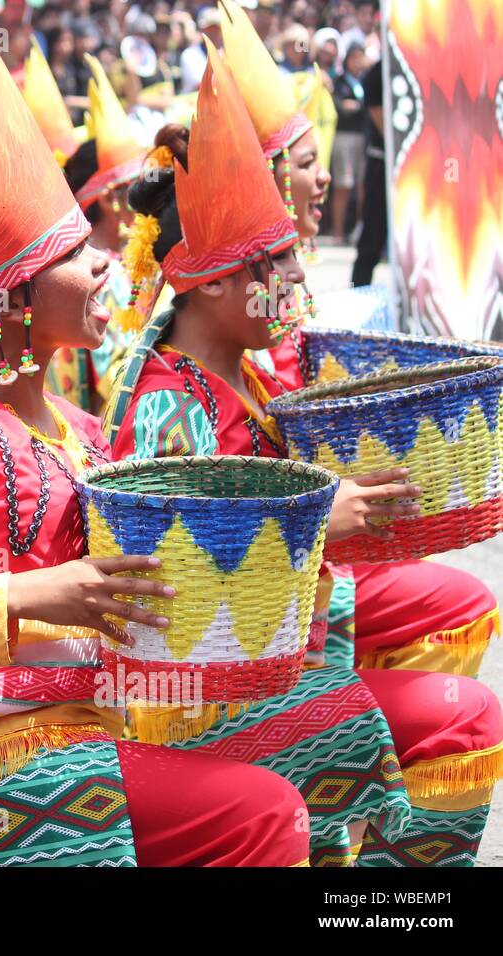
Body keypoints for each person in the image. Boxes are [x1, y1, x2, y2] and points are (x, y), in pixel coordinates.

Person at [0, 9, 313, 869]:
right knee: (259, 813)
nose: (110, 264)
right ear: (10, 294)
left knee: (288, 767)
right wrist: (31, 596)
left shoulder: (82, 432)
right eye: (80, 254)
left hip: (90, 726)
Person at [105, 54, 503, 867]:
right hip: (188, 704)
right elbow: (172, 594)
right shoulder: (165, 408)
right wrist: (321, 522)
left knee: (465, 703)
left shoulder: (240, 379)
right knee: (449, 716)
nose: (294, 277)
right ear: (212, 283)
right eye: (272, 263)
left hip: (267, 670)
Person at [216, 0, 497, 684]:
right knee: (460, 613)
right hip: (253, 596)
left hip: (301, 554)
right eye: (307, 164)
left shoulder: (275, 301)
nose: (324, 180)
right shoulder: (224, 331)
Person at [40, 52, 148, 411]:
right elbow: (119, 376)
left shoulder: (124, 267)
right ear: (110, 198)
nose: (147, 198)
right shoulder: (110, 274)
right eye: (138, 186)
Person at [350, 53, 386, 286]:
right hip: (383, 166)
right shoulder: (377, 75)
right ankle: (358, 289)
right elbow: (389, 133)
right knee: (372, 240)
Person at [330, 42, 368, 244]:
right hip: (344, 137)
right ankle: (337, 232)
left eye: (360, 57)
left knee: (363, 185)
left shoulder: (365, 79)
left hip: (363, 136)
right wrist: (354, 107)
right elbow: (341, 108)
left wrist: (357, 107)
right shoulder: (340, 81)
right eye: (354, 57)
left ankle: (360, 231)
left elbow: (365, 106)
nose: (357, 62)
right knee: (343, 185)